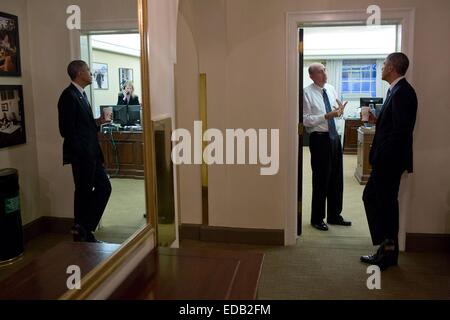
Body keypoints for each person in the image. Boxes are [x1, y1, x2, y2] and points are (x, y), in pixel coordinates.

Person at [360, 53, 418, 270]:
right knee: (377, 201)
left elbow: (401, 133)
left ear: (392, 67)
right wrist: (378, 120)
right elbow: (393, 125)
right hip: (386, 161)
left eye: (384, 64)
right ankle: (385, 249)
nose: (382, 67)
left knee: (385, 206)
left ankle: (387, 253)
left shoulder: (404, 92)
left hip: (389, 163)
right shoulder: (395, 91)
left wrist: (383, 156)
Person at [57, 60, 112, 243]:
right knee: (83, 192)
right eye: (88, 70)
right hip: (82, 156)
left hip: (92, 154)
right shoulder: (68, 96)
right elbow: (67, 131)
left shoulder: (81, 95)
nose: (90, 73)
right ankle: (83, 233)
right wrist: (83, 153)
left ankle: (83, 227)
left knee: (103, 187)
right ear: (79, 73)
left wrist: (98, 122)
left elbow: (83, 126)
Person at [303, 63, 352, 231]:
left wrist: (339, 112)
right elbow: (306, 120)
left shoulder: (330, 89)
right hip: (319, 139)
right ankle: (317, 218)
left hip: (334, 137)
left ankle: (334, 215)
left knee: (336, 179)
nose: (325, 74)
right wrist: (326, 115)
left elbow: (336, 112)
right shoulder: (306, 93)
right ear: (311, 76)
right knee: (321, 180)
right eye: (320, 72)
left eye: (325, 71)